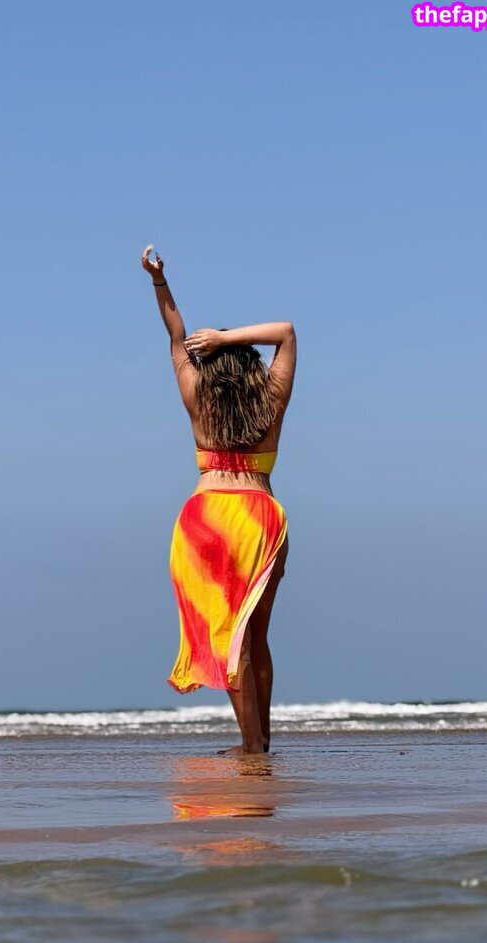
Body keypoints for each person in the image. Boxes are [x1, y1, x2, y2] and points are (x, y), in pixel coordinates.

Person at [141, 244, 297, 756]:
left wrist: (159, 280)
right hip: (257, 519)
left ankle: (251, 745)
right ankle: (259, 742)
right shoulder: (271, 400)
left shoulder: (197, 399)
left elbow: (175, 337)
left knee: (230, 639)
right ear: (251, 367)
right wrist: (228, 337)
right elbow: (285, 332)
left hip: (205, 521)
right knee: (255, 637)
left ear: (208, 367)